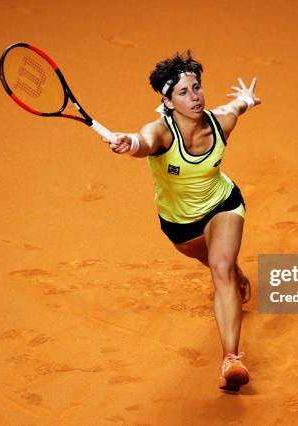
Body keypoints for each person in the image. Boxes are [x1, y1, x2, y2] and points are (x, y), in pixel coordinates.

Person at [102, 51, 260, 392]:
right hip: (180, 225)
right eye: (184, 92)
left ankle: (231, 359)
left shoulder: (221, 121)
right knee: (218, 265)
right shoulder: (160, 132)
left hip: (223, 204)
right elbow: (142, 143)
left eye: (197, 87)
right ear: (168, 101)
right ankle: (234, 273)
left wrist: (245, 98)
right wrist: (127, 143)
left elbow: (238, 107)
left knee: (220, 267)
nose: (195, 96)